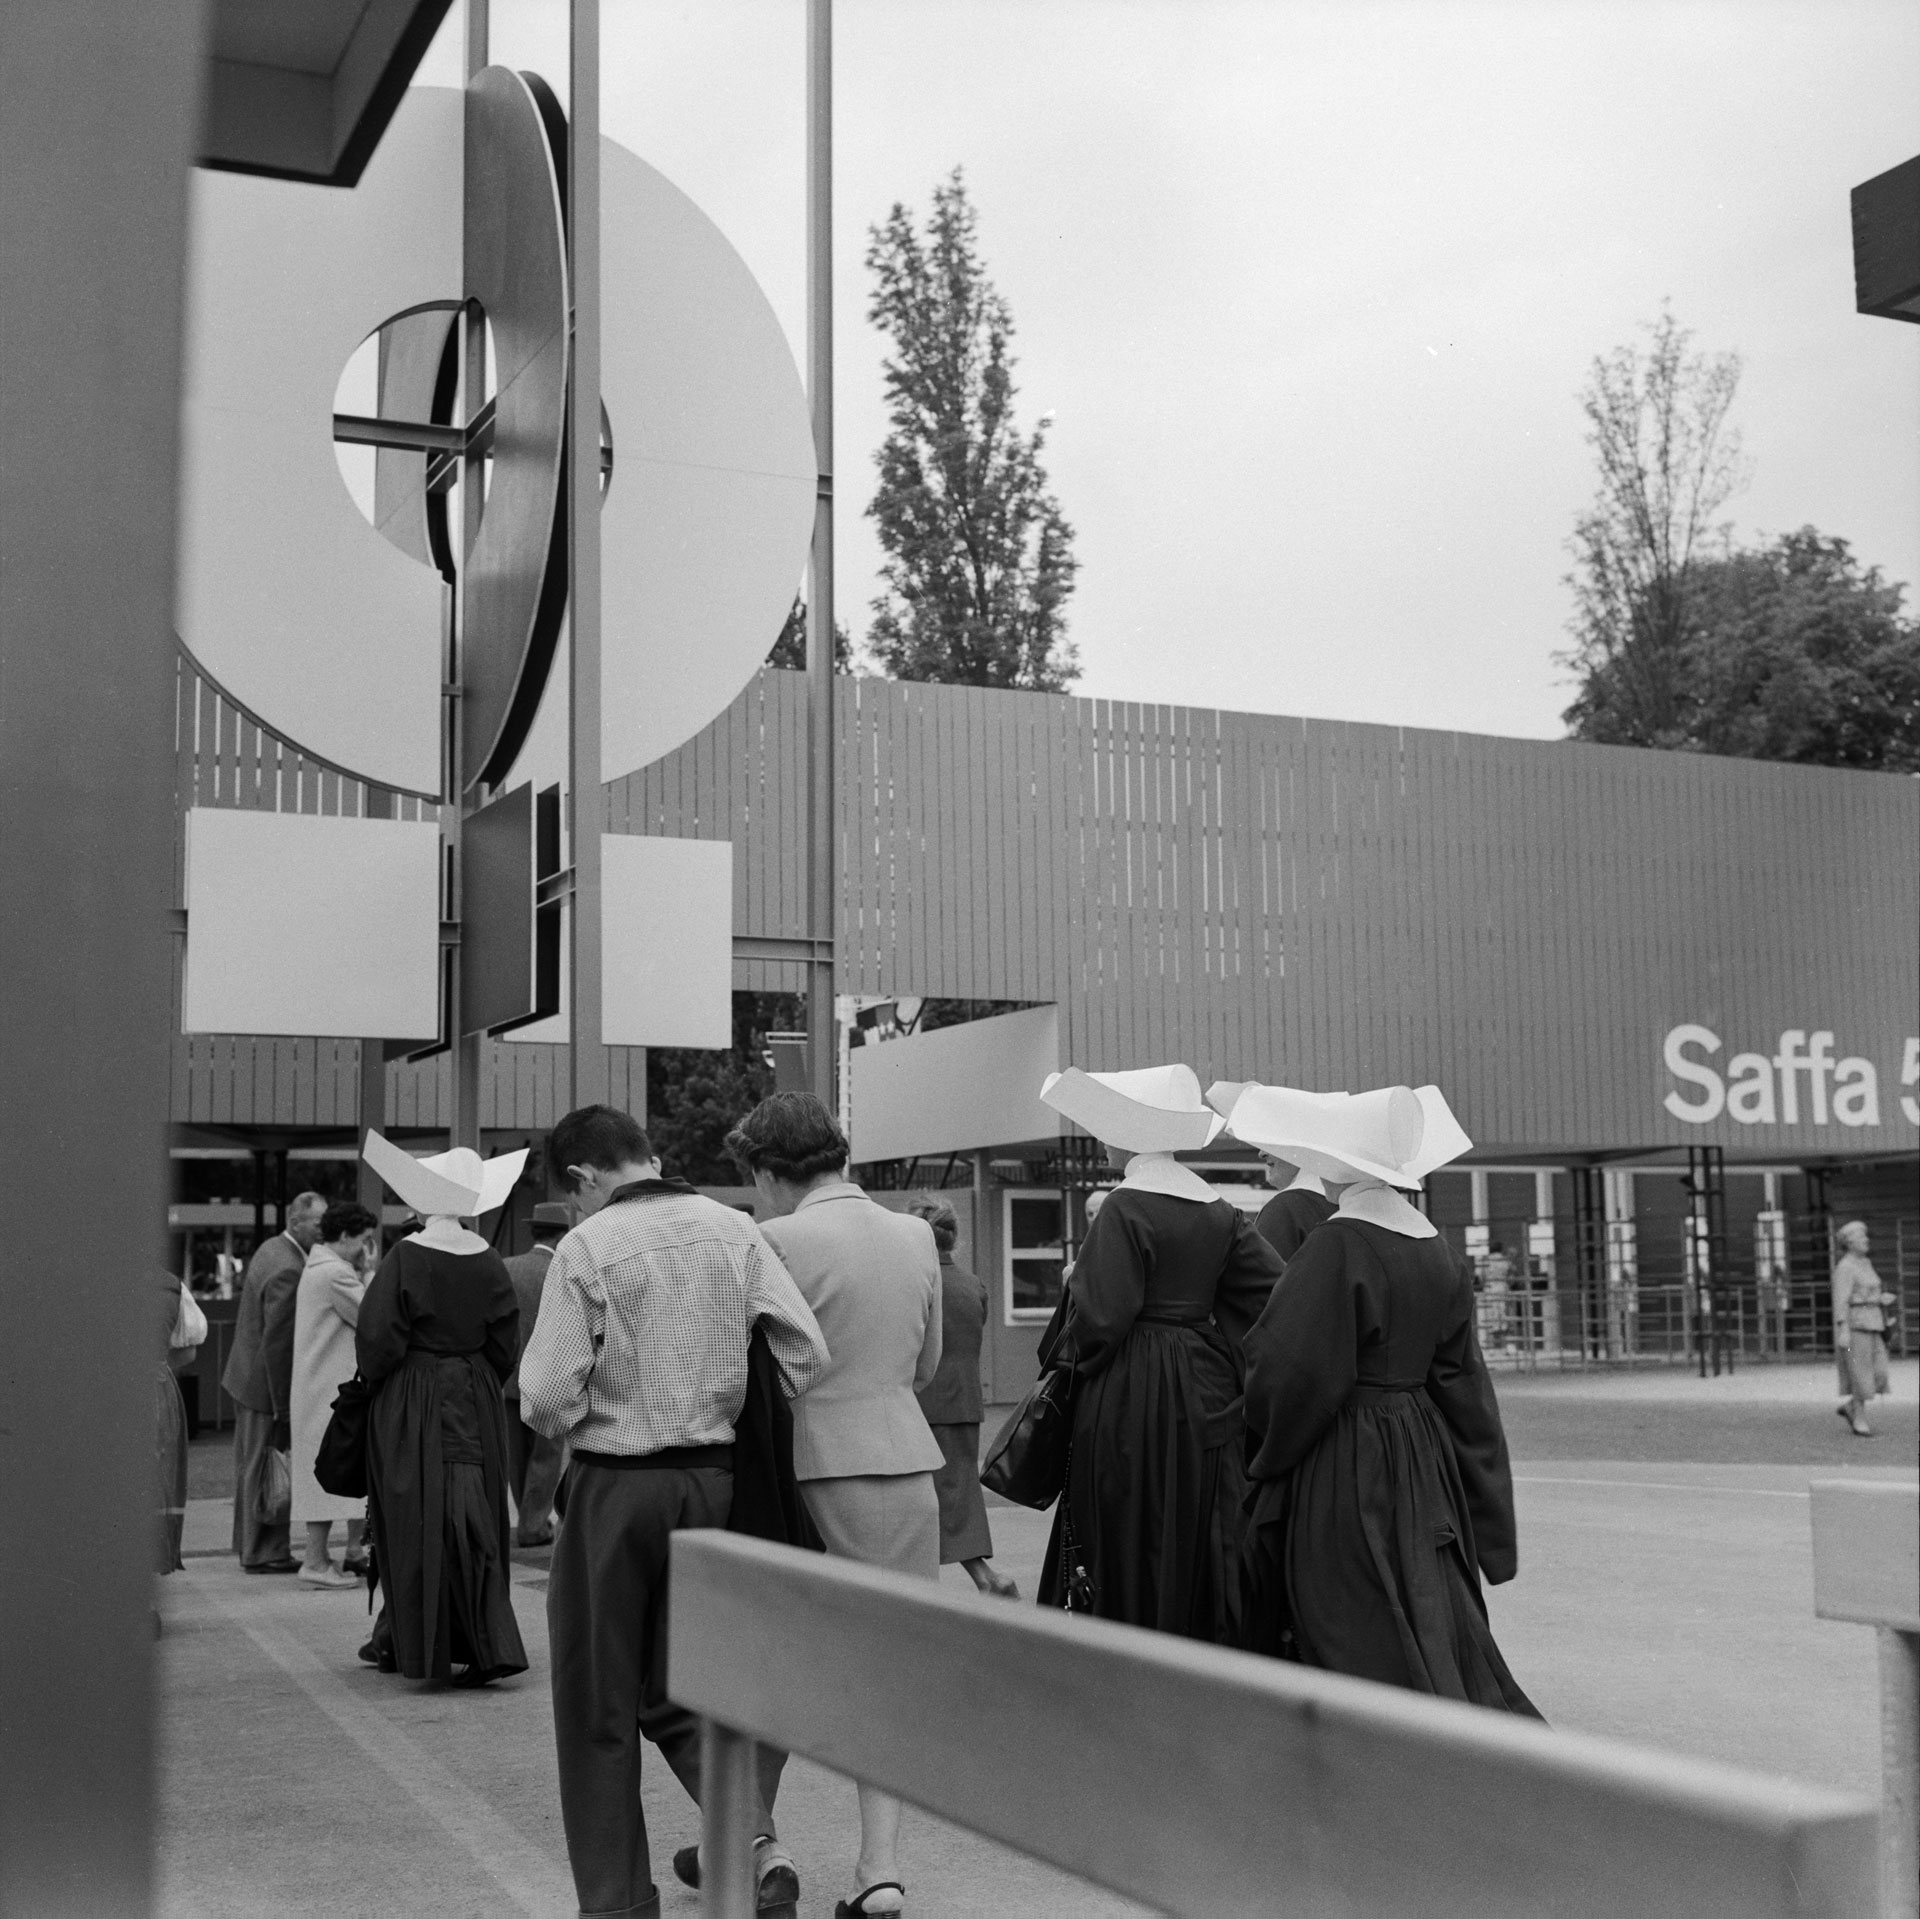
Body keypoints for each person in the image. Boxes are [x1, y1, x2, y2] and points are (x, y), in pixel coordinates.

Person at [519, 1104, 828, 1919]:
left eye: (571, 1195)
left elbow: (545, 1396)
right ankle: (756, 1842)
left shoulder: (589, 1244)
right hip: (717, 1482)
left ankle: (619, 1901)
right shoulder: (734, 1229)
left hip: (615, 1484)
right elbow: (805, 1350)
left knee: (598, 1702)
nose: (574, 1211)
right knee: (684, 1686)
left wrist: (599, 1407)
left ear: (584, 1178)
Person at [1229, 1082, 1539, 1715]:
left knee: (1350, 1605)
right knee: (1427, 1598)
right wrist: (1480, 1498)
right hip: (1422, 1451)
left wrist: (1264, 1454)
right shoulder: (1437, 1249)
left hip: (1348, 1450)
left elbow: (1289, 1369)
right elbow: (1462, 1382)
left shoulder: (1337, 1245)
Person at [724, 1092, 942, 1919]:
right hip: (906, 1459)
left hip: (808, 1465)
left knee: (778, 1660)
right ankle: (878, 1868)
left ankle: (754, 1834)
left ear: (771, 1171)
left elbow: (755, 1372)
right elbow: (926, 1367)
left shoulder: (771, 1239)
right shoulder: (915, 1233)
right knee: (888, 1670)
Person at [1031, 1065, 1286, 1644]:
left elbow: (1101, 1320)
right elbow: (1276, 1292)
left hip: (1130, 1384)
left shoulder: (1124, 1206)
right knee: (1199, 1515)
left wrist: (1078, 1286)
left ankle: (1131, 1639)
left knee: (1125, 1512)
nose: (1101, 1139)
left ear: (1128, 1134)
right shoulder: (1219, 1209)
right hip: (1205, 1382)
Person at [356, 1131, 529, 1688]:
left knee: (411, 1513)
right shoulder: (489, 1261)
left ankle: (411, 1639)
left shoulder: (406, 1257)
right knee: (473, 1510)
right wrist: (477, 1374)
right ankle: (482, 1638)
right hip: (474, 1393)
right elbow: (506, 1342)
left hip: (414, 1395)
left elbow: (378, 1340)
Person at [909, 1196, 1017, 1598]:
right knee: (959, 1492)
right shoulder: (973, 1285)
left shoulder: (918, 1282)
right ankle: (985, 1578)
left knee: (919, 1498)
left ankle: (956, 1582)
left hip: (922, 1402)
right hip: (965, 1403)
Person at [221, 1190, 325, 1573]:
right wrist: (284, 1407)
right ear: (296, 1222)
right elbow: (278, 1345)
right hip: (264, 1387)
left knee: (251, 1467)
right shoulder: (290, 1269)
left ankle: (249, 1545)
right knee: (267, 1467)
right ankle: (264, 1551)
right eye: (318, 1223)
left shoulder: (271, 1250)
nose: (324, 1229)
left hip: (244, 1378)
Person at [291, 1201, 378, 1588]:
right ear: (344, 1237)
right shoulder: (336, 1275)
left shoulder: (319, 1269)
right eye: (364, 1240)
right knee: (333, 1470)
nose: (366, 1248)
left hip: (318, 1387)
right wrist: (372, 1272)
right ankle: (315, 1560)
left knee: (331, 1469)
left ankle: (344, 1553)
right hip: (329, 1390)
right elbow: (373, 1315)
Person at [503, 1200, 571, 1546]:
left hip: (507, 1377)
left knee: (516, 1455)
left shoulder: (506, 1267)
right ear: (563, 1236)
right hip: (549, 1379)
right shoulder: (563, 1271)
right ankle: (533, 1524)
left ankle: (525, 1518)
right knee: (545, 1456)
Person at [1833, 1221, 1895, 1439]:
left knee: (1880, 1373)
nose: (1866, 1240)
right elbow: (1841, 1300)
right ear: (1849, 1243)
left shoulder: (1866, 1263)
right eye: (1861, 1238)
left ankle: (1851, 1406)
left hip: (1875, 1323)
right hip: (1856, 1325)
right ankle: (1859, 1417)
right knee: (1861, 1376)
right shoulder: (1845, 1267)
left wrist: (1880, 1299)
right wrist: (1843, 1329)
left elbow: (1868, 1291)